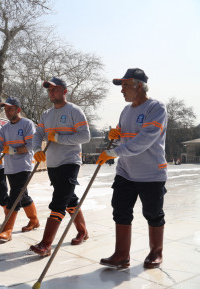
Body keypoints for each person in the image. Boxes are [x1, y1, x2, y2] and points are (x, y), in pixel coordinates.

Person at [97, 68, 167, 269]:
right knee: (120, 210)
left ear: (139, 85)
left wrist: (113, 152)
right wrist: (115, 134)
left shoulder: (156, 108)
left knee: (153, 213)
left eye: (125, 85)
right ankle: (121, 255)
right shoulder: (126, 111)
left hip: (151, 172)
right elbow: (124, 134)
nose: (122, 90)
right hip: (126, 172)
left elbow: (144, 140)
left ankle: (156, 252)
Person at [29, 77, 91, 257]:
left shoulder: (74, 111)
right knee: (69, 198)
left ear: (64, 91)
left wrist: (60, 139)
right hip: (53, 162)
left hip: (70, 161)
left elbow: (85, 136)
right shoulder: (46, 114)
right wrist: (36, 149)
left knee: (58, 201)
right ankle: (82, 231)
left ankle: (45, 244)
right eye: (49, 90)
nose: (51, 93)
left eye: (54, 89)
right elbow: (38, 133)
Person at [0, 96, 40, 242]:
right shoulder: (5, 128)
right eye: (5, 109)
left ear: (18, 109)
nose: (6, 112)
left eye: (10, 109)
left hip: (24, 166)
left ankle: (7, 229)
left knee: (15, 195)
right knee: (22, 195)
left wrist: (14, 150)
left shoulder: (27, 124)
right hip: (10, 167)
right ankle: (34, 220)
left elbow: (31, 144)